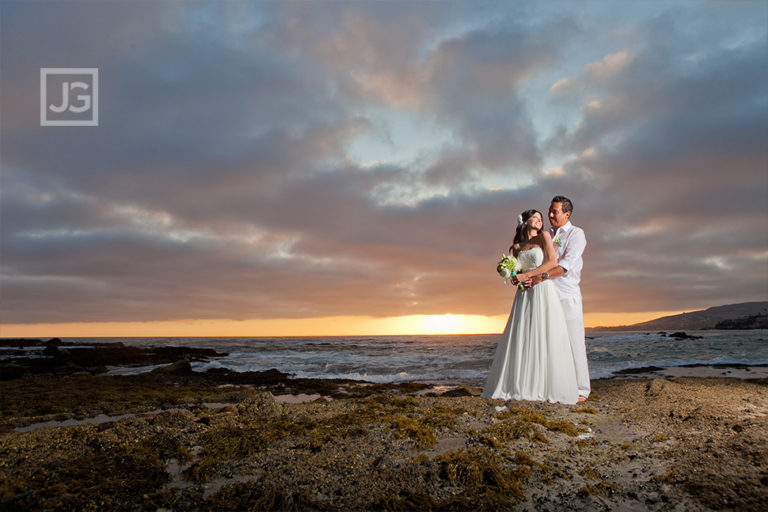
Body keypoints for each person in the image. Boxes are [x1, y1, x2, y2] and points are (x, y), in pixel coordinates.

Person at [482, 209, 579, 404]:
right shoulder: (517, 246)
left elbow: (552, 262)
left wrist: (528, 276)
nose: (540, 220)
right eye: (535, 217)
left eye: (541, 218)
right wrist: (511, 276)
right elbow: (516, 270)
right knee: (522, 334)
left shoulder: (544, 236)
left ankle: (545, 385)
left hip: (542, 289)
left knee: (544, 333)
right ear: (525, 221)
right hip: (524, 293)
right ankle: (521, 383)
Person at [522, 196, 590, 402]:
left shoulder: (576, 234)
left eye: (555, 212)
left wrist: (539, 277)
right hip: (547, 296)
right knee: (551, 343)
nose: (550, 215)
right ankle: (555, 385)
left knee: (573, 342)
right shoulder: (547, 234)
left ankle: (581, 389)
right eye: (549, 211)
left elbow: (566, 265)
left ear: (567, 214)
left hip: (567, 294)